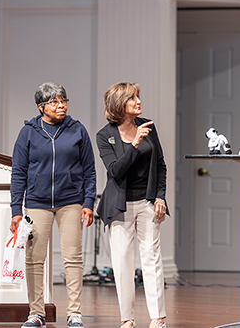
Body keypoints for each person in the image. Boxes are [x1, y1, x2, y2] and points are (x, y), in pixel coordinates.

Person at [10, 82, 97, 328]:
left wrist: (88, 201)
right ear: (41, 107)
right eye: (55, 102)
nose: (62, 106)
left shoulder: (77, 130)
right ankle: (36, 314)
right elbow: (19, 173)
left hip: (71, 201)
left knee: (73, 258)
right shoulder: (28, 132)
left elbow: (90, 171)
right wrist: (17, 210)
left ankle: (75, 314)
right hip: (37, 202)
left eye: (64, 101)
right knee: (34, 258)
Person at [96, 82, 168, 328]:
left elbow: (160, 165)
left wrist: (160, 197)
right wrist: (135, 144)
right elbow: (115, 171)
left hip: (147, 203)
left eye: (138, 96)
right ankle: (127, 319)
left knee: (152, 259)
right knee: (123, 262)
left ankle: (157, 318)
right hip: (119, 206)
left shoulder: (148, 127)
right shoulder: (104, 136)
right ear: (119, 105)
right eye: (132, 98)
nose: (138, 101)